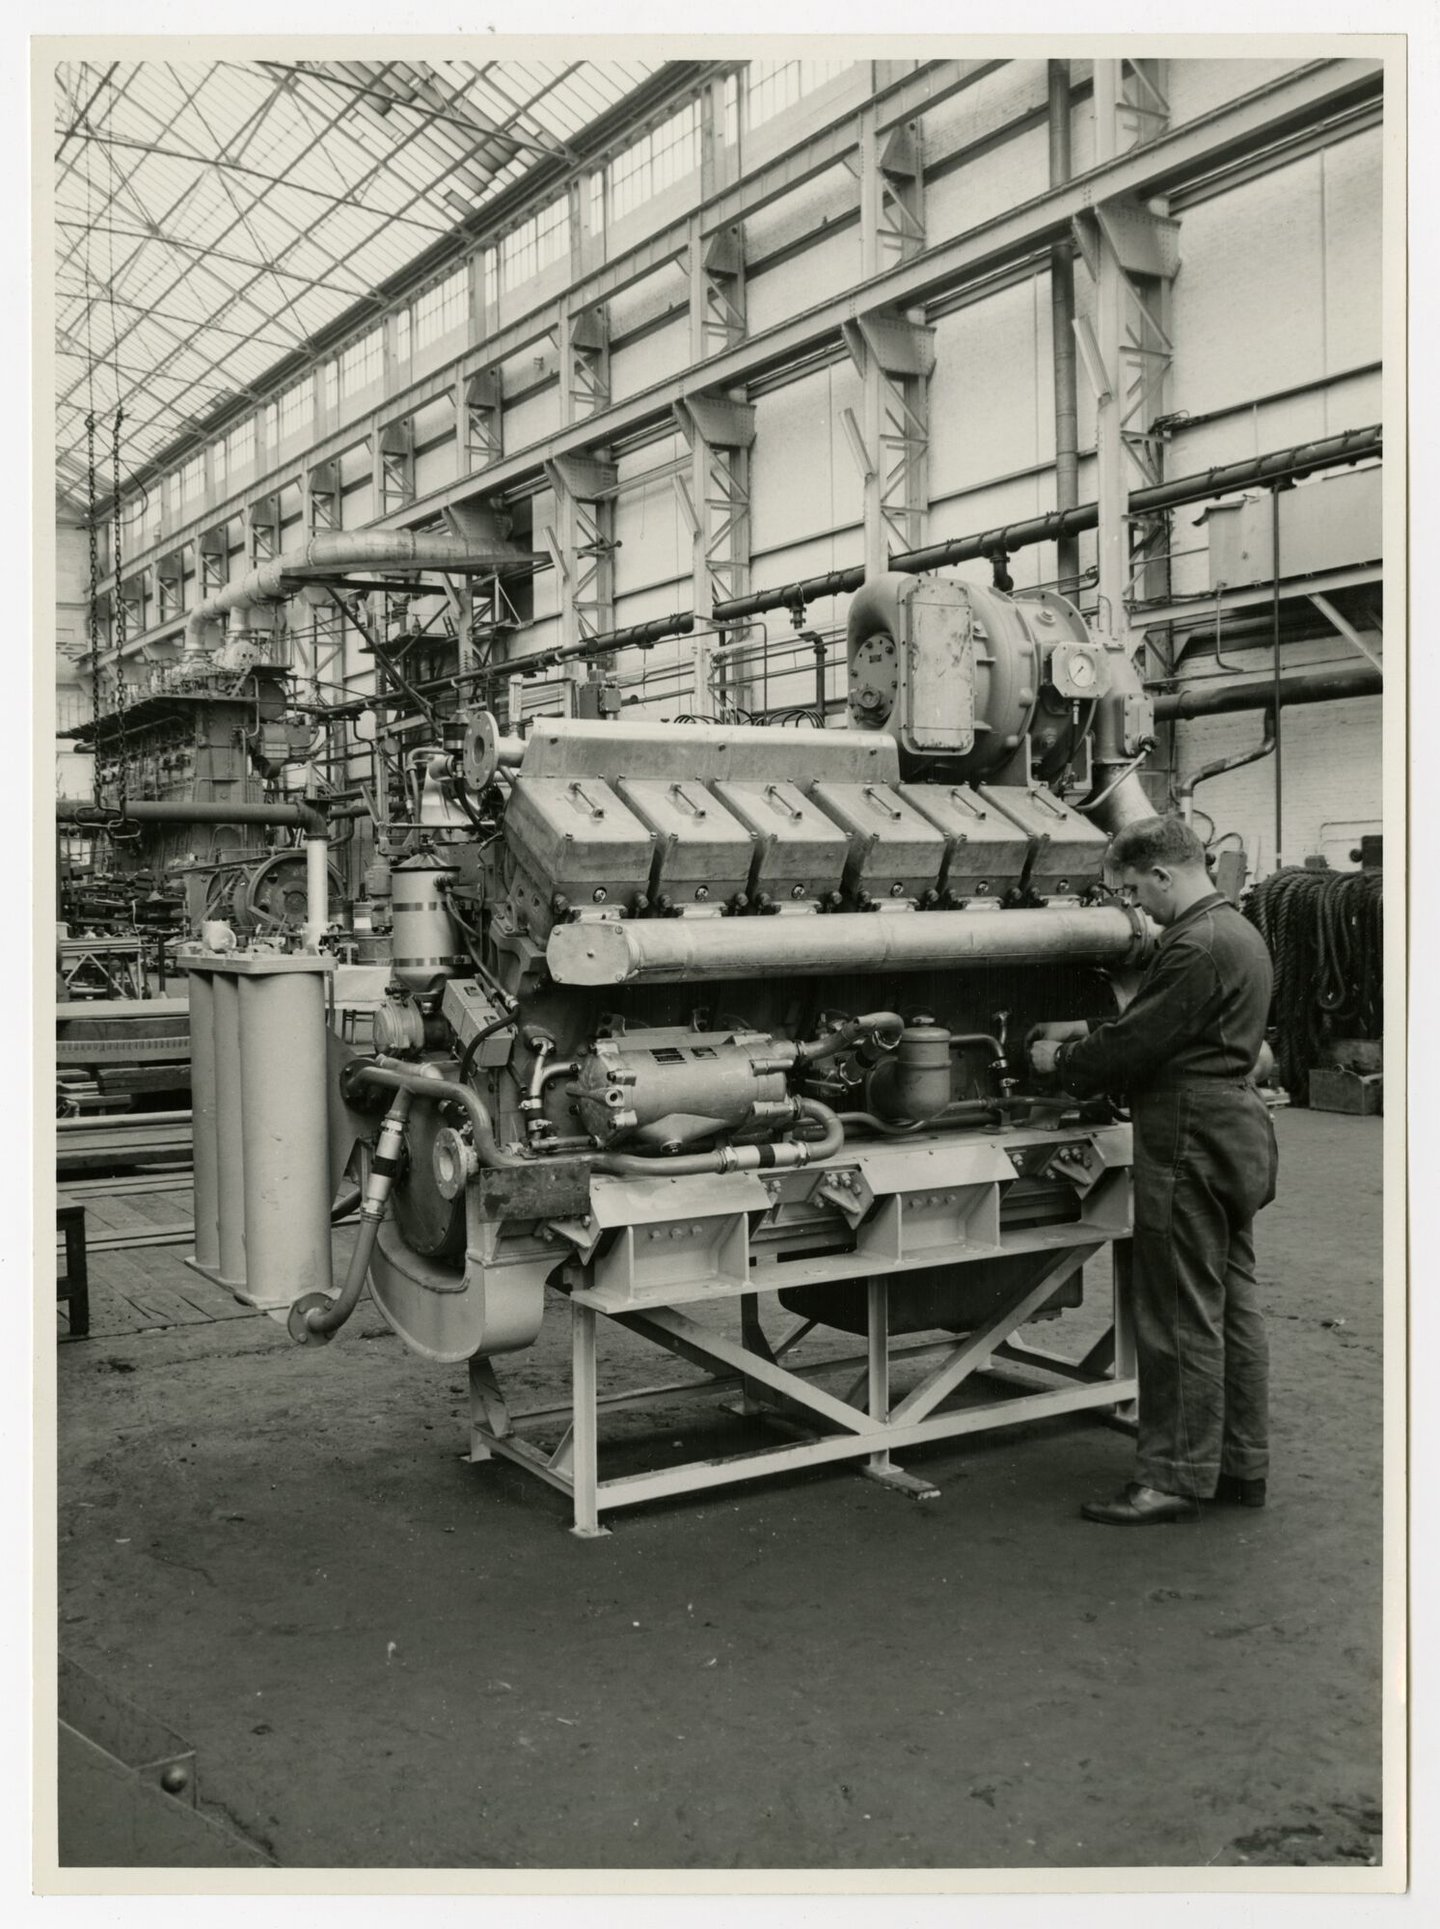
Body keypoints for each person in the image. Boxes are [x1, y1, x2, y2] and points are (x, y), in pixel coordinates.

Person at [1028, 815, 1278, 1526]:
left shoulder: (1192, 944)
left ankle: (1171, 1476)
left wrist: (1064, 1062)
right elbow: (1177, 1029)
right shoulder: (1239, 931)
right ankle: (1238, 1462)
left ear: (1164, 875)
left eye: (1135, 891)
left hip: (1188, 1134)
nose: (1137, 907)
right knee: (1232, 1303)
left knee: (1175, 1310)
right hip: (1235, 1129)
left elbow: (1140, 1042)